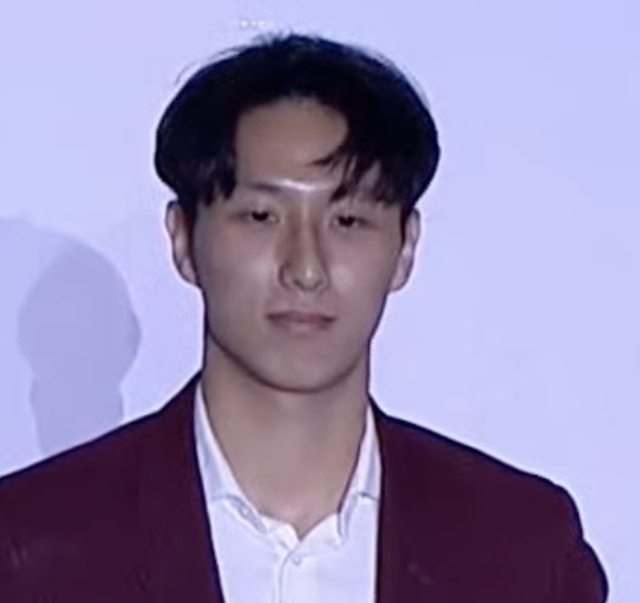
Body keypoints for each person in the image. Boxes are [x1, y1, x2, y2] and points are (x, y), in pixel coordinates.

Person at [0, 33, 607, 602]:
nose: (307, 268)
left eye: (348, 221)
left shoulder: (523, 550)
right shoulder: (32, 548)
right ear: (183, 239)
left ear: (406, 247)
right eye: (261, 217)